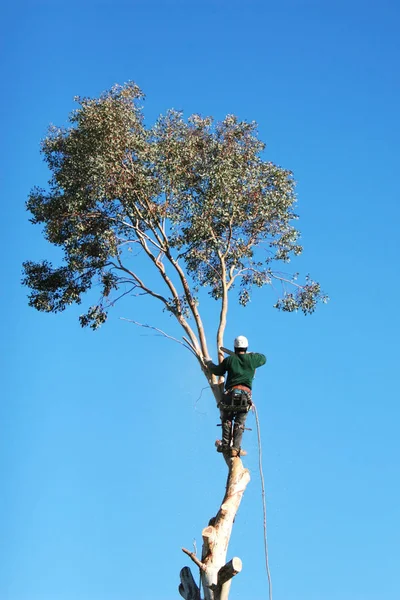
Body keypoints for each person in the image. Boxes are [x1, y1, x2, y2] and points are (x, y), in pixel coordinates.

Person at [206, 335, 266, 457]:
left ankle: (226, 445)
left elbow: (217, 371)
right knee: (239, 423)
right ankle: (235, 448)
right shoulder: (252, 359)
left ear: (235, 348)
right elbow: (263, 358)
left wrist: (209, 363)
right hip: (245, 397)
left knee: (227, 419)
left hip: (230, 394)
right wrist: (251, 354)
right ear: (246, 347)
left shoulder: (229, 360)